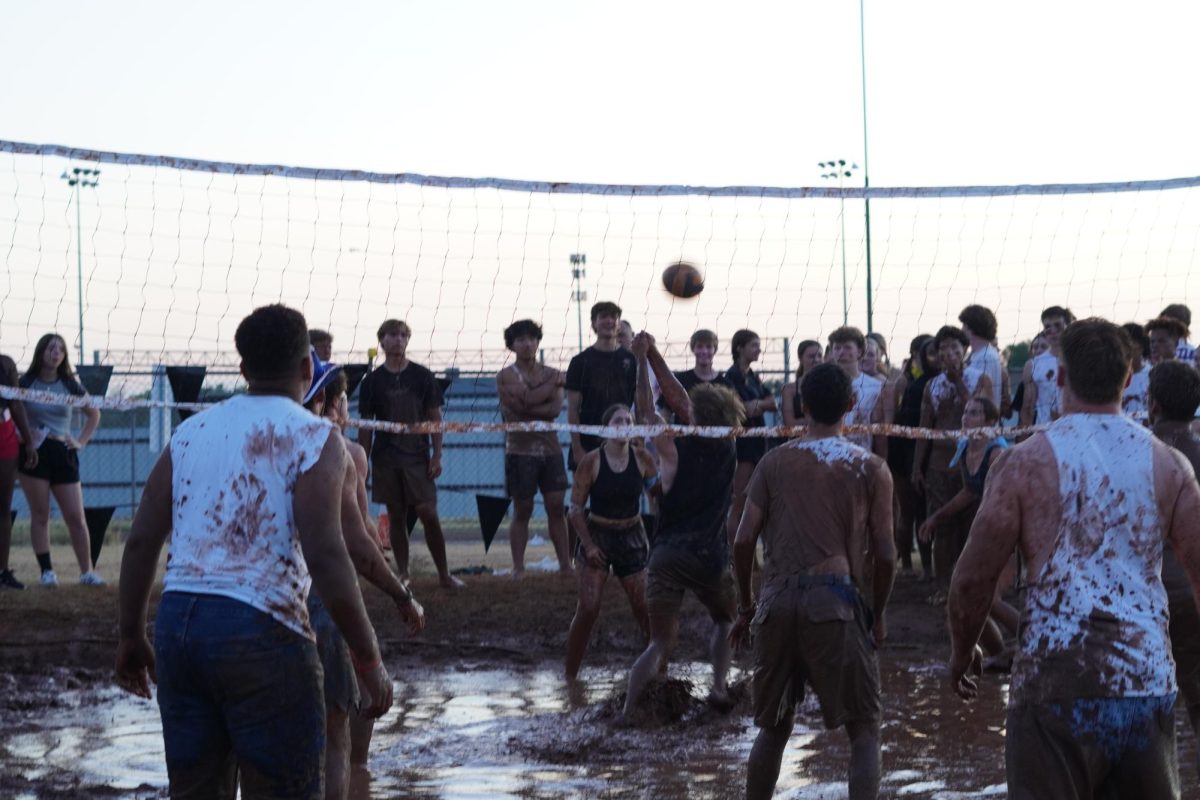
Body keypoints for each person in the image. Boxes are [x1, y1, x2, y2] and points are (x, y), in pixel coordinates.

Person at [115, 304, 395, 799]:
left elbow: (139, 543)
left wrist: (132, 635)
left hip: (180, 628)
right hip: (265, 630)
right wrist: (369, 662)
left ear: (242, 369)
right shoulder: (316, 437)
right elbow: (329, 558)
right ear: (308, 369)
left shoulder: (188, 432)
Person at [948, 318, 1200, 799]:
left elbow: (971, 582)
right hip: (1143, 679)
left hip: (1053, 680)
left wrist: (962, 655)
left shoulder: (1021, 462)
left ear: (1059, 378)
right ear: (1128, 381)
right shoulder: (1170, 465)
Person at [730, 362, 895, 800]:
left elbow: (743, 540)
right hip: (836, 603)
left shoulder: (773, 461)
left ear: (802, 405)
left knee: (772, 730)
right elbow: (885, 554)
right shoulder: (870, 467)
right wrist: (877, 615)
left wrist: (746, 609)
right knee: (864, 732)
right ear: (852, 404)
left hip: (776, 602)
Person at [303, 350, 425, 800]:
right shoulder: (346, 450)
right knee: (351, 714)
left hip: (257, 600)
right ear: (332, 404)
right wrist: (401, 592)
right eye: (345, 399)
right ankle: (359, 778)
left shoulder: (248, 435)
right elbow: (356, 539)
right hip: (325, 593)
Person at [622, 332, 745, 718]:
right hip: (709, 556)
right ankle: (719, 688)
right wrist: (652, 353)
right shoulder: (731, 445)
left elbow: (649, 411)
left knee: (659, 642)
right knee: (726, 619)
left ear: (694, 416)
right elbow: (684, 402)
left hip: (667, 553)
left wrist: (644, 360)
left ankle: (627, 712)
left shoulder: (673, 448)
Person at [357, 319, 464, 589]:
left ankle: (444, 574)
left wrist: (437, 454)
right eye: (393, 335)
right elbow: (367, 426)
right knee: (396, 514)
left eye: (403, 335)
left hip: (417, 456)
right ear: (381, 341)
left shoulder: (422, 375)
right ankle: (403, 574)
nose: (398, 340)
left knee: (428, 512)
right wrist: (362, 463)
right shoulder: (372, 382)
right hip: (386, 457)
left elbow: (435, 418)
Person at [917, 396, 1018, 657]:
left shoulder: (997, 453)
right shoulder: (965, 447)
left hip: (1005, 531)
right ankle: (1000, 656)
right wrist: (936, 518)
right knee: (966, 598)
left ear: (989, 422)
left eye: (973, 413)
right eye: (965, 412)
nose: (965, 417)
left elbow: (1008, 501)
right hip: (986, 532)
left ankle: (1040, 644)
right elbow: (970, 492)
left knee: (988, 601)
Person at [564, 403, 656, 680]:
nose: (623, 426)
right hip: (598, 535)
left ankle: (658, 672)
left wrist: (662, 533)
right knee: (589, 608)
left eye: (628, 421)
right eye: (617, 421)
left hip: (632, 536)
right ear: (605, 429)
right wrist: (589, 546)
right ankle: (570, 677)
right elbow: (575, 510)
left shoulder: (643, 458)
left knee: (644, 608)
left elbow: (658, 497)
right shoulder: (591, 461)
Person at [1147, 360, 1200, 772]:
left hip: (1150, 593)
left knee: (1145, 702)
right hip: (1189, 588)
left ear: (1153, 404)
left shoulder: (1138, 452)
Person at [17, 333, 102, 586]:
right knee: (40, 514)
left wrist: (81, 441)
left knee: (76, 517)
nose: (56, 353)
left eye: (61, 350)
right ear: (41, 351)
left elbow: (94, 414)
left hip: (62, 453)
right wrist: (24, 435)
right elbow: (10, 411)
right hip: (34, 454)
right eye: (51, 348)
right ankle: (47, 572)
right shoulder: (26, 382)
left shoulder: (69, 384)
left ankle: (87, 572)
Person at [912, 326, 992, 589]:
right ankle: (943, 585)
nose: (948, 354)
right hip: (939, 463)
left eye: (954, 348)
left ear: (965, 350)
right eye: (943, 349)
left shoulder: (980, 379)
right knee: (942, 525)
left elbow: (981, 416)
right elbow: (925, 429)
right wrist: (917, 467)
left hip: (972, 461)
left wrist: (958, 381)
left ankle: (969, 584)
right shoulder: (931, 386)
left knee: (971, 525)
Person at [496, 319, 571, 576]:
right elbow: (520, 405)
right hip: (519, 449)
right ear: (512, 345)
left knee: (556, 507)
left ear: (538, 341)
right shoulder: (506, 375)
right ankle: (518, 567)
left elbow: (552, 410)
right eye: (521, 340)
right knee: (523, 508)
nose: (527, 344)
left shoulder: (550, 371)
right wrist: (551, 386)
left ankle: (565, 565)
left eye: (531, 338)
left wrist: (532, 404)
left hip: (550, 449)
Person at [565, 302, 637, 470]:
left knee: (623, 494)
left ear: (619, 324)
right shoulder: (579, 361)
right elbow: (573, 409)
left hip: (622, 439)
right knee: (581, 494)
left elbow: (637, 405)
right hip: (589, 441)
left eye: (613, 317)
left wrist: (638, 439)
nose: (609, 321)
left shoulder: (630, 359)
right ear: (594, 323)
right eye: (603, 316)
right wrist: (577, 448)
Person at [723, 329, 778, 543]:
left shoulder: (752, 376)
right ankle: (735, 557)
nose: (759, 349)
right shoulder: (731, 378)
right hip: (742, 446)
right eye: (754, 345)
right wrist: (758, 405)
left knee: (759, 501)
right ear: (740, 348)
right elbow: (741, 410)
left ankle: (752, 555)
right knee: (739, 503)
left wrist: (758, 405)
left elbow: (773, 403)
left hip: (758, 444)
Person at [890, 335, 936, 576]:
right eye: (926, 353)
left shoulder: (934, 381)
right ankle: (908, 562)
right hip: (905, 453)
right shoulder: (907, 382)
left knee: (925, 511)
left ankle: (926, 564)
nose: (932, 358)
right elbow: (900, 418)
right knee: (909, 511)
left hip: (929, 452)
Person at [0, 351, 37, 589]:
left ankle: (2, 572)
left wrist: (30, 441)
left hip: (4, 436)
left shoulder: (5, 363)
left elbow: (15, 402)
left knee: (2, 507)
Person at [828, 326, 886, 459]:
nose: (841, 352)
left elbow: (880, 434)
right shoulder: (823, 384)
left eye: (847, 347)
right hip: (828, 456)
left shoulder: (874, 387)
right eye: (837, 348)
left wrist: (882, 462)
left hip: (861, 458)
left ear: (860, 351)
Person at [1020, 306, 1074, 429]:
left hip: (1075, 430)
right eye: (1047, 327)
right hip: (1045, 431)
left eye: (1057, 325)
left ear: (1067, 326)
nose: (1053, 331)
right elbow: (1028, 406)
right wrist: (1024, 437)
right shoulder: (1034, 364)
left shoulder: (1080, 360)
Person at [660, 329, 729, 422]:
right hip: (684, 435)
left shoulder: (725, 384)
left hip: (716, 436)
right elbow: (665, 411)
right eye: (700, 346)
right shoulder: (680, 380)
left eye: (709, 347)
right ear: (693, 349)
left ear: (715, 350)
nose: (704, 351)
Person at [959, 304, 1007, 412]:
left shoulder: (985, 357)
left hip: (981, 420)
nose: (961, 329)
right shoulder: (979, 354)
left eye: (964, 325)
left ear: (971, 327)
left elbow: (981, 395)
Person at [781, 339, 823, 427]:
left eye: (819, 355)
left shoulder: (829, 385)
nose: (816, 360)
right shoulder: (789, 389)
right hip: (799, 439)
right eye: (811, 356)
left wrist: (806, 420)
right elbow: (789, 423)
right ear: (800, 358)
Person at [1010, 332, 1047, 420]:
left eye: (1043, 347)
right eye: (1035, 347)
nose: (1038, 350)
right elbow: (1022, 413)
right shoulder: (1024, 383)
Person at [1121, 322, 1152, 418]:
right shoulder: (1114, 377)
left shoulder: (1153, 375)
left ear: (1141, 346)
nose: (1123, 349)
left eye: (1128, 343)